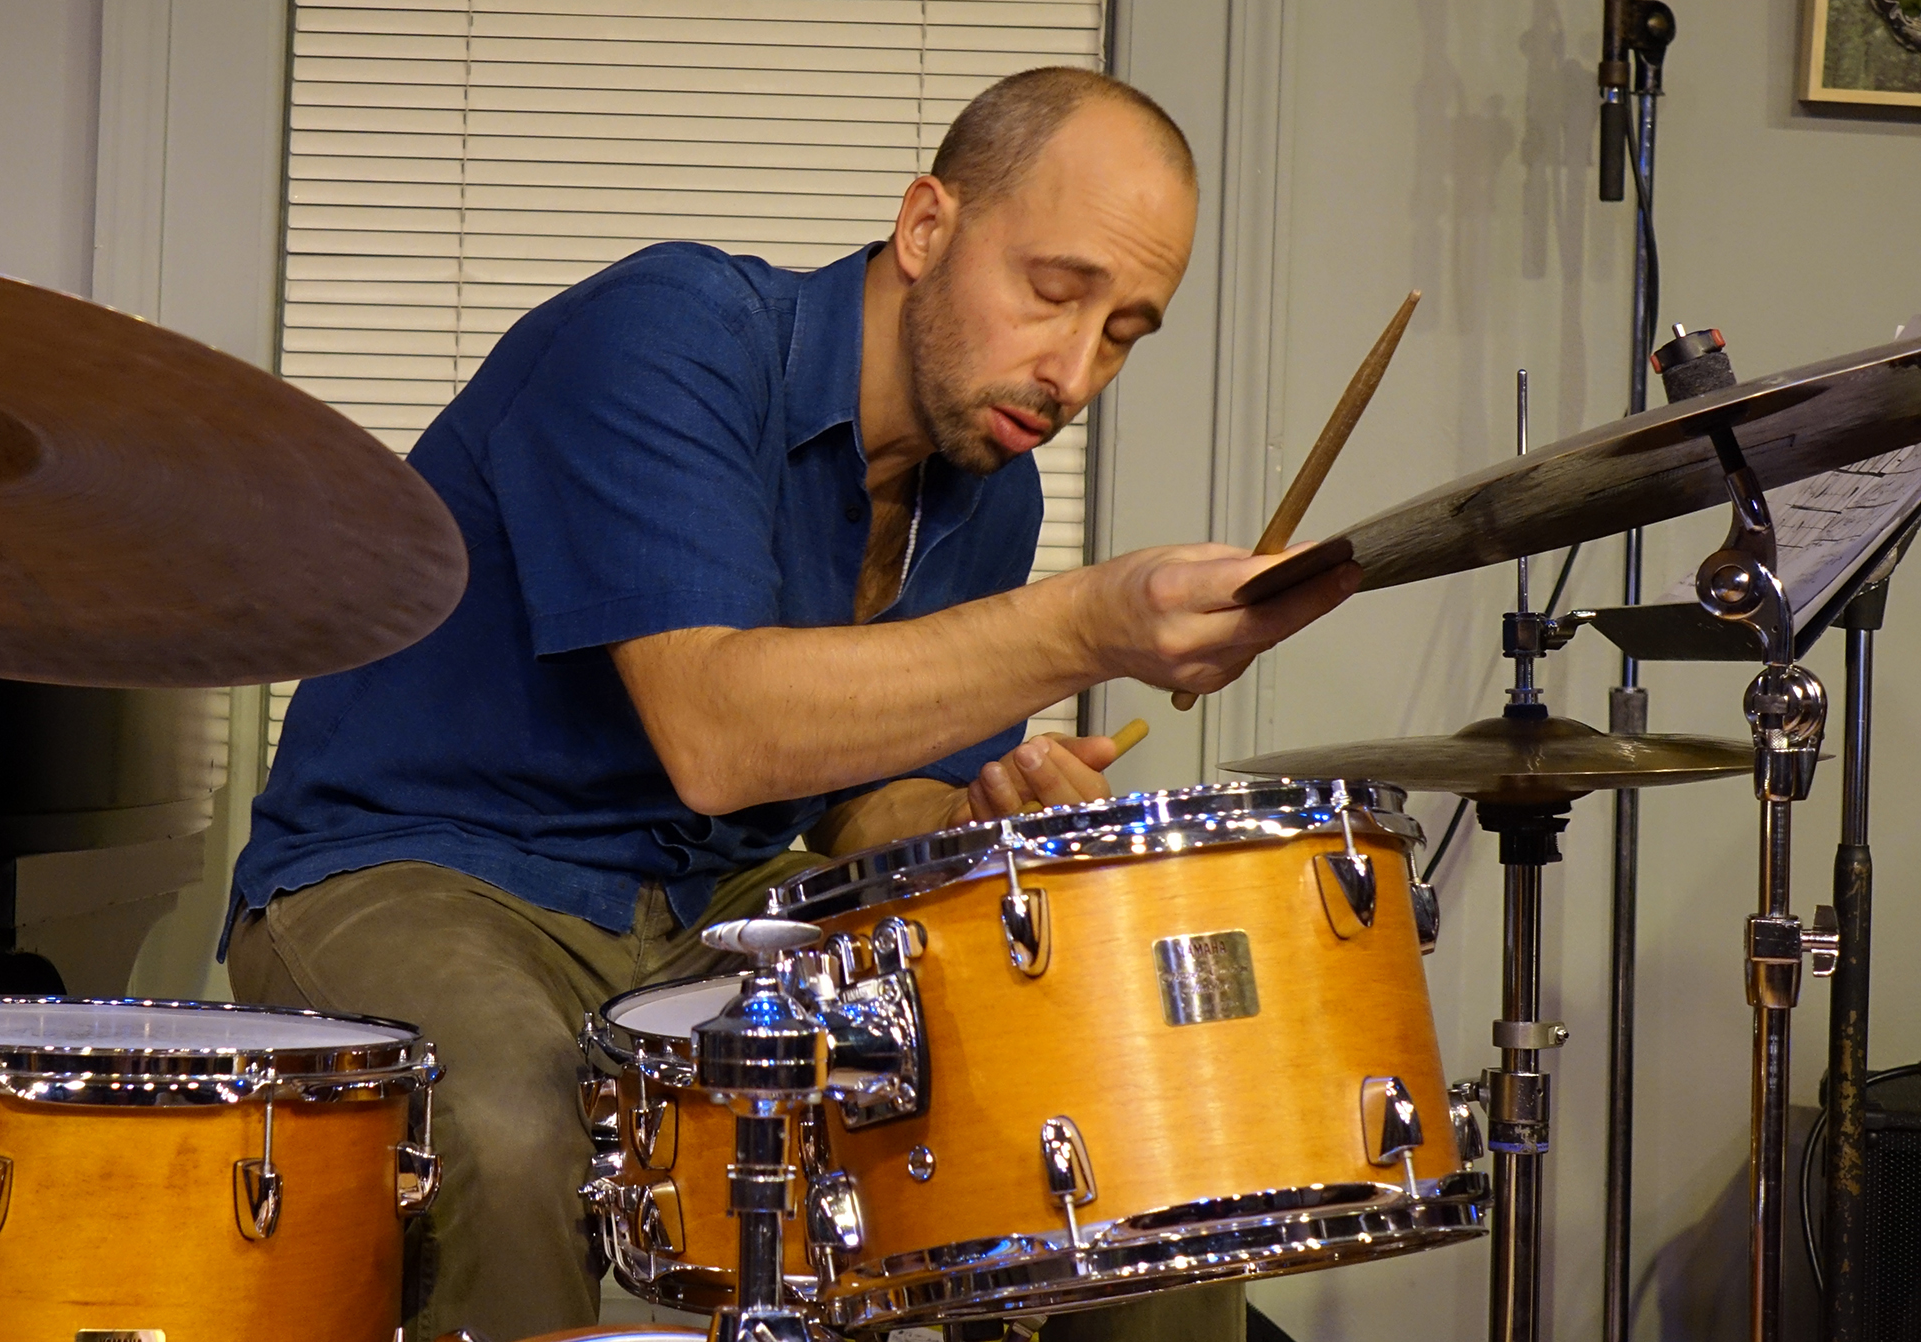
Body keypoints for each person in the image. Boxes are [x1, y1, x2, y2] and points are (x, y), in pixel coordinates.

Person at [226, 67, 1359, 1342]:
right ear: (926, 227)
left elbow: (853, 806)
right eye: (1053, 292)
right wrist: (1091, 621)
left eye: (1123, 332)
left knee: (1116, 1091)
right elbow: (720, 736)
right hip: (419, 864)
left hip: (702, 907)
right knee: (504, 1122)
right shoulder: (672, 328)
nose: (1072, 369)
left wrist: (972, 807)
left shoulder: (989, 487)